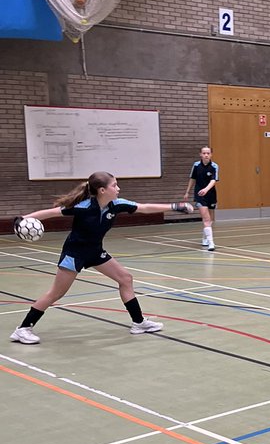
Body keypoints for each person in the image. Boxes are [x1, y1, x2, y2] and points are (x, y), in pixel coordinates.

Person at [9, 172, 193, 344]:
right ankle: (23, 328)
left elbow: (144, 208)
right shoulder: (84, 207)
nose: (118, 188)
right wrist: (23, 218)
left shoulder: (117, 204)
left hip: (95, 252)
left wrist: (175, 207)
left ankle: (139, 323)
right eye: (115, 185)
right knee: (56, 293)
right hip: (74, 254)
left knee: (125, 279)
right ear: (102, 190)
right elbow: (51, 212)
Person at [184, 145, 219, 250]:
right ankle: (211, 242)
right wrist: (187, 192)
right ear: (200, 154)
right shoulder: (196, 165)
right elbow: (192, 179)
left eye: (208, 153)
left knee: (211, 218)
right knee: (206, 218)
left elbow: (214, 180)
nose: (206, 155)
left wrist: (206, 189)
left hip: (211, 194)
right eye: (204, 153)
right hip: (199, 195)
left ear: (211, 154)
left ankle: (205, 237)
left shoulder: (214, 166)